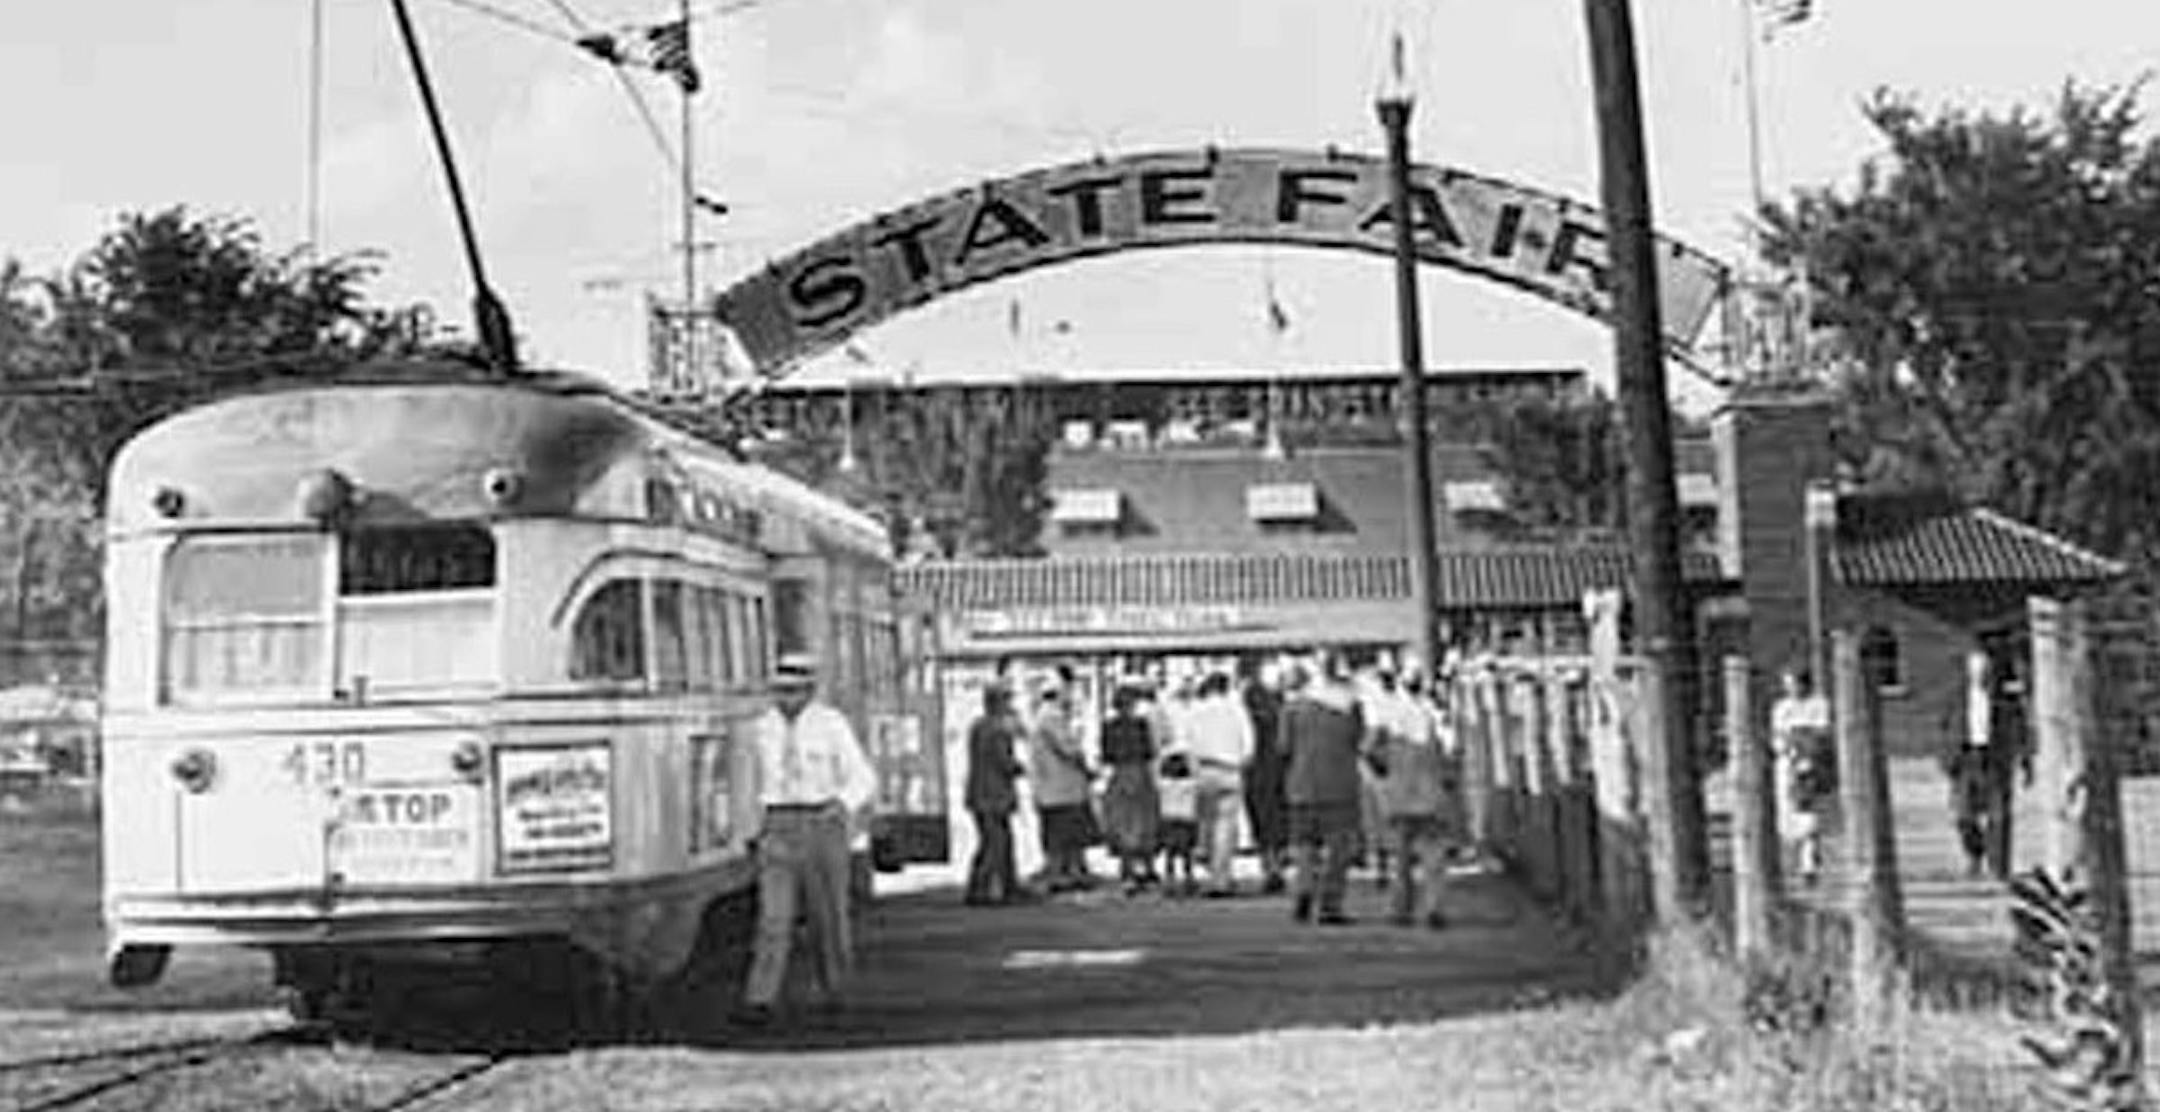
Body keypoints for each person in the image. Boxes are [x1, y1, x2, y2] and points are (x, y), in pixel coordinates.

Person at [737, 653, 878, 1026]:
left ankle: (836, 991)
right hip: (777, 823)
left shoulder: (831, 725)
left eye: (795, 691)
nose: (787, 698)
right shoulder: (760, 728)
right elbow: (747, 783)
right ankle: (760, 999)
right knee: (773, 918)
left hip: (822, 821)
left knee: (828, 915)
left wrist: (843, 805)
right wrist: (751, 830)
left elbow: (862, 776)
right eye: (781, 690)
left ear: (810, 690)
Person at [1280, 651, 1367, 925]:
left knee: (1304, 846)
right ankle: (1330, 905)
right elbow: (1359, 741)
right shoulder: (1350, 704)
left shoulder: (1293, 706)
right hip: (1340, 785)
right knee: (1338, 850)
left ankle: (1303, 892)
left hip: (1301, 785)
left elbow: (1283, 747)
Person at [1368, 662, 1453, 929]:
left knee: (1401, 859)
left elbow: (1370, 750)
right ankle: (1433, 908)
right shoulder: (1435, 714)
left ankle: (1401, 910)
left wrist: (1385, 774)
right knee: (1433, 857)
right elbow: (1451, 752)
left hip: (1399, 795)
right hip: (1430, 794)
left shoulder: (1389, 714)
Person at [1182, 671, 1255, 896]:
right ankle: (1221, 878)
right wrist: (1241, 762)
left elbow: (1189, 745)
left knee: (1207, 824)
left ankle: (1212, 872)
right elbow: (1250, 745)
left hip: (1205, 770)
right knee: (1226, 826)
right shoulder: (1237, 710)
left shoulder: (1196, 711)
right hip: (1230, 770)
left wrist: (1194, 770)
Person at [1770, 664, 1834, 887]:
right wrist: (1786, 749)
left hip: (1811, 765)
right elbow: (1778, 736)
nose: (1790, 689)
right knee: (1789, 814)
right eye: (1786, 684)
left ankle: (1808, 864)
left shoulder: (1818, 705)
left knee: (1809, 814)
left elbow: (1821, 735)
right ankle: (1797, 859)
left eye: (1793, 683)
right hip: (1788, 764)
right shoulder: (1781, 708)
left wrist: (1805, 751)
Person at [963, 683, 1028, 906]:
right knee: (996, 844)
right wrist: (1021, 768)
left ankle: (1002, 886)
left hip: (978, 793)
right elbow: (1004, 762)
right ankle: (984, 889)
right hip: (994, 794)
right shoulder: (998, 729)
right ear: (998, 703)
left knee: (993, 842)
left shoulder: (977, 726)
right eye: (1007, 701)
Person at [1027, 687, 1095, 892]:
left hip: (1050, 789)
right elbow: (1069, 749)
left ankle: (1063, 872)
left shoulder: (1040, 718)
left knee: (1056, 834)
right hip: (1061, 789)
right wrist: (1087, 769)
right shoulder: (1052, 717)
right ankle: (1065, 875)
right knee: (1066, 835)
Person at [1098, 682, 1162, 894]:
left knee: (1123, 823)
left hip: (1119, 774)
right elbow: (1150, 751)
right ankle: (1147, 868)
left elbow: (1105, 755)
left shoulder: (1108, 726)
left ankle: (1127, 871)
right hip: (1140, 773)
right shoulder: (1140, 725)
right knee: (1145, 821)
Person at [1241, 658, 1291, 895]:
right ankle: (1276, 866)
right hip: (1279, 770)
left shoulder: (1248, 716)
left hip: (1255, 771)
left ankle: (1269, 866)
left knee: (1262, 821)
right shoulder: (1281, 709)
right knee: (1278, 819)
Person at [1156, 750, 1201, 896]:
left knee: (1169, 853)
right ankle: (1189, 878)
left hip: (1168, 819)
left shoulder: (1163, 785)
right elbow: (1198, 775)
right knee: (1187, 852)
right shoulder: (1191, 785)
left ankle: (1169, 880)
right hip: (1187, 819)